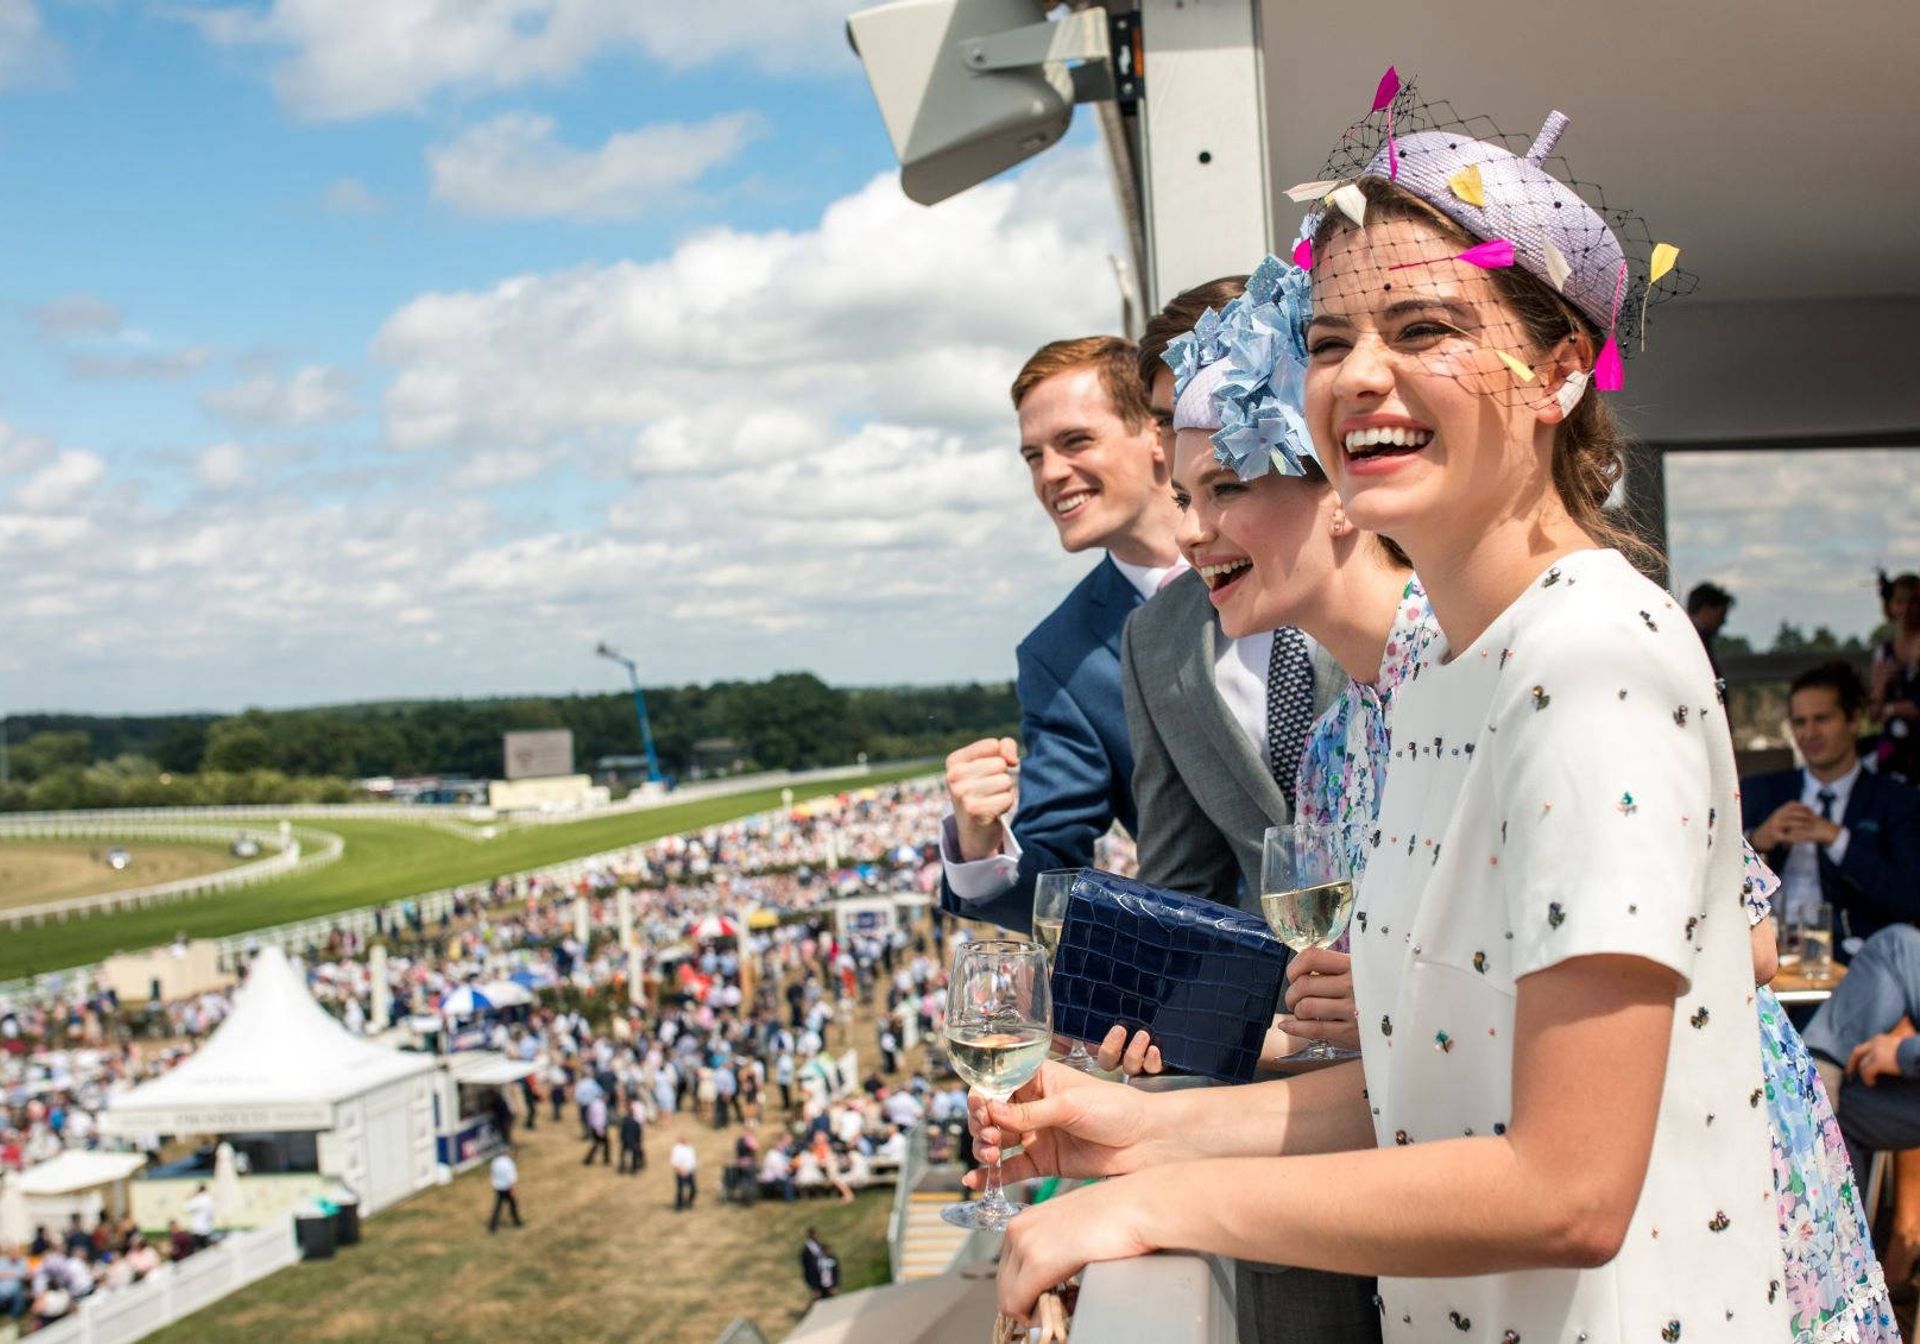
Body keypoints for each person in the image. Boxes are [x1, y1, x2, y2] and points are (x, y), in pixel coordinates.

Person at [967, 94, 1796, 1340]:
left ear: (1560, 370)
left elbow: (1566, 1191)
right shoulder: (1445, 679)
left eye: (1423, 327)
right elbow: (1427, 1083)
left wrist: (1153, 1207)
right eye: (1331, 336)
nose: (1361, 375)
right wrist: (1144, 1129)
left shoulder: (1587, 661)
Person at [1121, 275, 1350, 920]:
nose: (1184, 441)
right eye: (1167, 423)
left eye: (1229, 477)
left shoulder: (1427, 613)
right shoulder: (1154, 639)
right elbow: (1180, 886)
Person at [940, 335, 1185, 936]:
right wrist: (981, 844)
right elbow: (1052, 870)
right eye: (1032, 456)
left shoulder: (1297, 541)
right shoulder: (1058, 654)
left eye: (1075, 441)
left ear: (1156, 432)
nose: (1050, 474)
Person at [1744, 661, 1920, 958]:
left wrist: (1838, 840)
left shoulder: (1898, 801)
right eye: (1799, 722)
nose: (1809, 733)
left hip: (1855, 962)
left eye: (1822, 719)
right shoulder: (1761, 792)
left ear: (1854, 720)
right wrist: (1757, 841)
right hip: (1765, 958)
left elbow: (1909, 899)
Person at [1870, 572, 1920, 781]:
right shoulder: (1884, 652)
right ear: (1890, 606)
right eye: (1900, 602)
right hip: (1894, 751)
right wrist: (1880, 686)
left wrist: (1890, 709)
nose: (1907, 609)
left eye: (1914, 602)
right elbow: (1872, 714)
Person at [1685, 580, 1734, 675]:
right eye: (1721, 614)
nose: (1723, 621)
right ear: (1706, 609)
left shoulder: (1685, 635)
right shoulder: (1697, 640)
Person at [487, 1145, 522, 1231]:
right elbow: (511, 1178)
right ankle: (517, 1222)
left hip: (498, 1187)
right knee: (513, 1206)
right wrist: (512, 1190)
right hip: (507, 1188)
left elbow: (492, 1173)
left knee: (498, 1207)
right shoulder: (508, 1163)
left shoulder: (495, 1162)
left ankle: (493, 1226)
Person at [581, 1090, 611, 1166]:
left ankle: (589, 1159)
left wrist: (590, 1125)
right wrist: (600, 1130)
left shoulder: (594, 1103)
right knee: (602, 1144)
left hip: (593, 1127)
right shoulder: (601, 1106)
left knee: (598, 1143)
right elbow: (600, 1119)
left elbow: (589, 1115)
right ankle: (605, 1160)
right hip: (599, 1128)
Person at [183, 1182, 215, 1249]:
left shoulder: (198, 1199)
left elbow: (185, 1207)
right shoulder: (209, 1200)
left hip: (197, 1230)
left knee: (195, 1253)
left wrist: (189, 1196)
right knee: (206, 1251)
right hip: (207, 1229)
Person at [618, 1099, 646, 1175]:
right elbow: (638, 1133)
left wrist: (622, 1139)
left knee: (623, 1154)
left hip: (625, 1141)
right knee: (634, 1155)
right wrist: (638, 1141)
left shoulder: (624, 1122)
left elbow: (621, 1132)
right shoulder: (636, 1123)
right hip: (633, 1141)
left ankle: (622, 1168)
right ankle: (633, 1169)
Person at [671, 1135, 698, 1211]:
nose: (686, 1140)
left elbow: (693, 1159)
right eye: (684, 1139)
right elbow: (674, 1162)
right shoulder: (677, 1149)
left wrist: (693, 1169)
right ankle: (679, 1206)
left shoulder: (690, 1148)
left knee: (693, 1189)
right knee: (680, 1190)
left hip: (690, 1172)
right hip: (681, 1172)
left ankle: (689, 1202)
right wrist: (680, 1170)